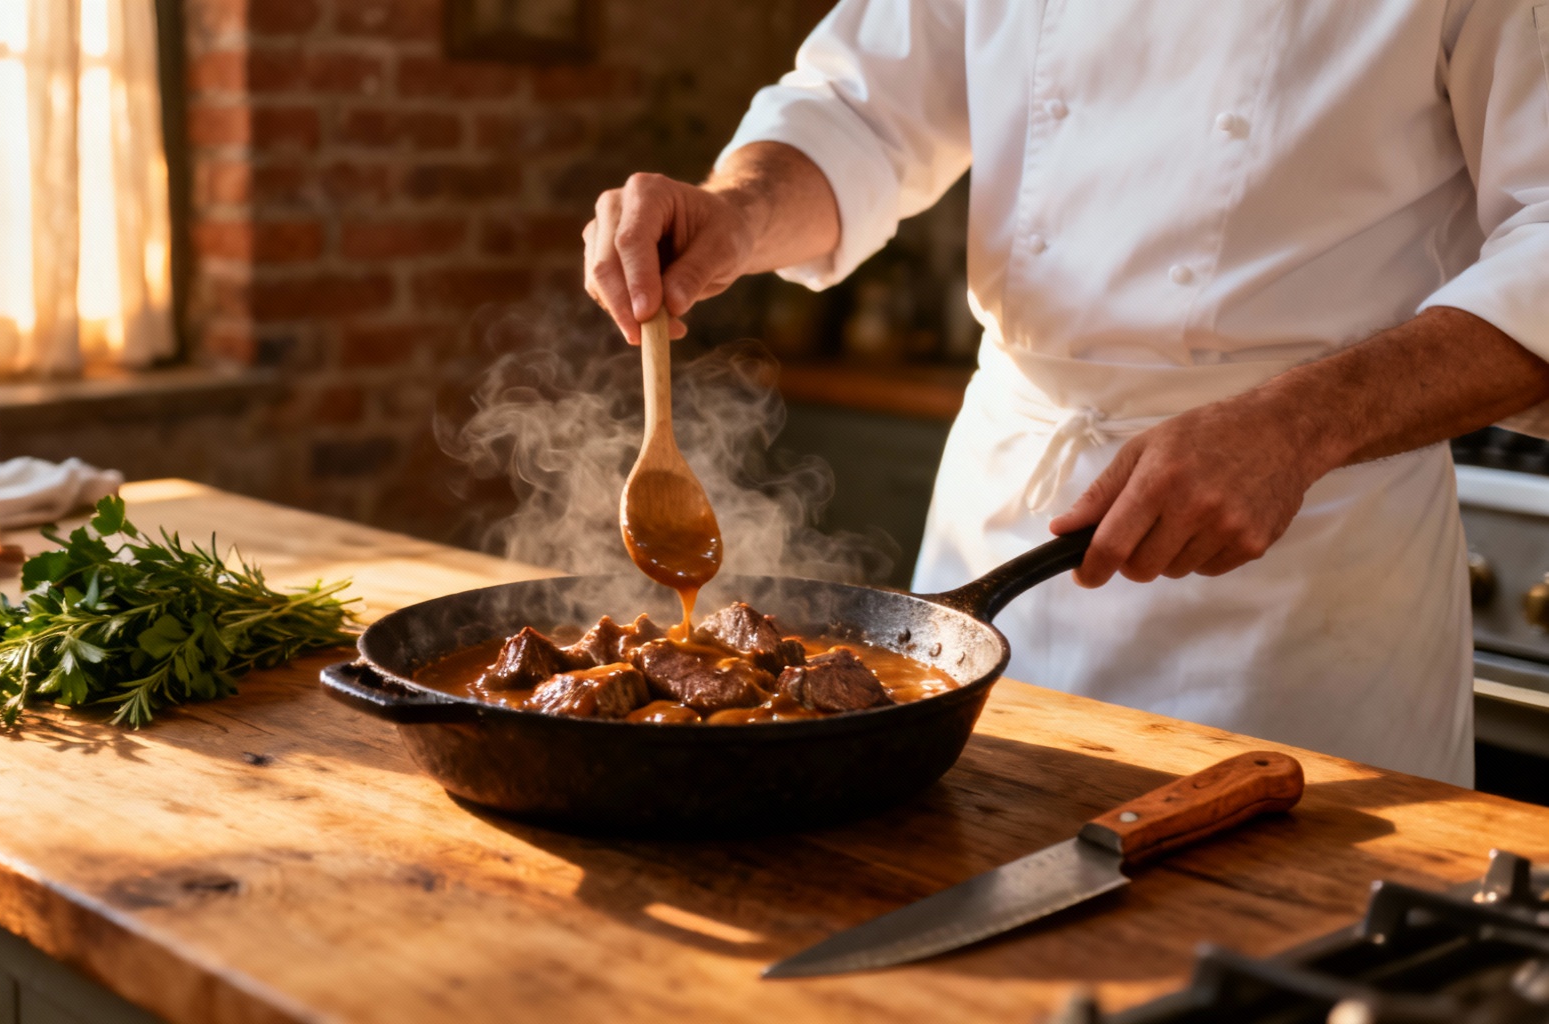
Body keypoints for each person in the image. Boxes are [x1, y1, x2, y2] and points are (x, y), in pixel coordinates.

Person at [580, 0, 1549, 785]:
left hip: (1296, 579)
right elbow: (859, 111)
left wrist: (1296, 427)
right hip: (1002, 517)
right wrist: (738, 210)